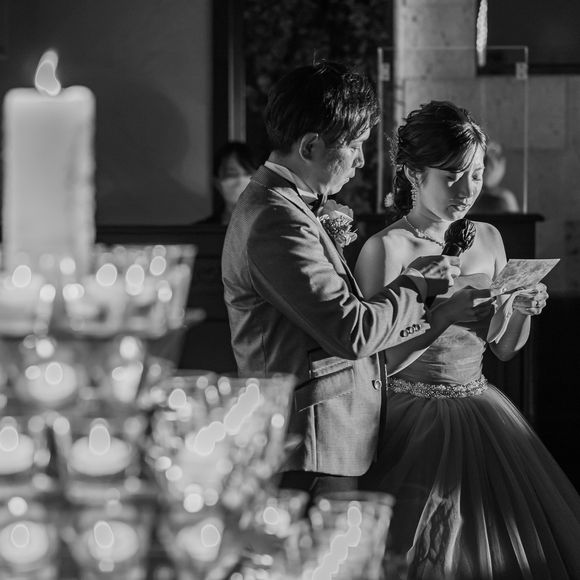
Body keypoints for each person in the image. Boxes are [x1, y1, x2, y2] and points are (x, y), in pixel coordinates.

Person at [221, 62, 487, 498]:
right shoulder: (276, 219)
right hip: (308, 441)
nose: (362, 161)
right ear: (310, 146)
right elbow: (352, 332)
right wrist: (416, 284)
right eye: (356, 146)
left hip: (328, 436)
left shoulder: (287, 207)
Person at [355, 100, 580, 578]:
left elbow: (502, 347)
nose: (466, 190)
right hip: (409, 418)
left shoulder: (489, 238)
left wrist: (520, 311)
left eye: (475, 175)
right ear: (413, 173)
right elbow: (375, 364)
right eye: (452, 176)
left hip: (481, 406)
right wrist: (441, 317)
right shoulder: (386, 248)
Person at [204, 141, 258, 225]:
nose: (241, 180)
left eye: (248, 174)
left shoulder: (274, 228)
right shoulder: (202, 230)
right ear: (217, 182)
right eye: (232, 174)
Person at [471, 139, 519, 214]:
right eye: (485, 158)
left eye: (496, 156)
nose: (487, 166)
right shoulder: (469, 195)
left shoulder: (505, 198)